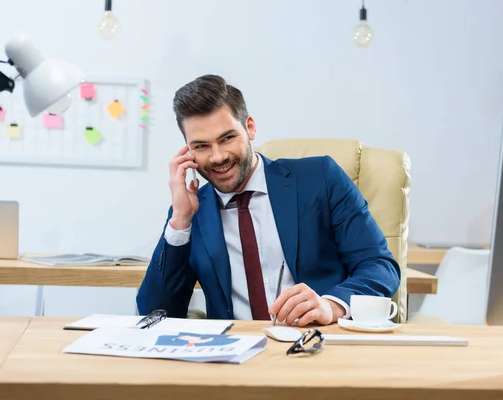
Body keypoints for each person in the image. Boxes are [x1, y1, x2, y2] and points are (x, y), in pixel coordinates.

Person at [136, 74, 400, 326]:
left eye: (227, 138)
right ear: (187, 150)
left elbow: (379, 266)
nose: (217, 157)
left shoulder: (320, 177)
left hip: (317, 344)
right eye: (201, 146)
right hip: (232, 358)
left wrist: (331, 306)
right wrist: (180, 221)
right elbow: (155, 312)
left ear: (250, 127)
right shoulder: (192, 211)